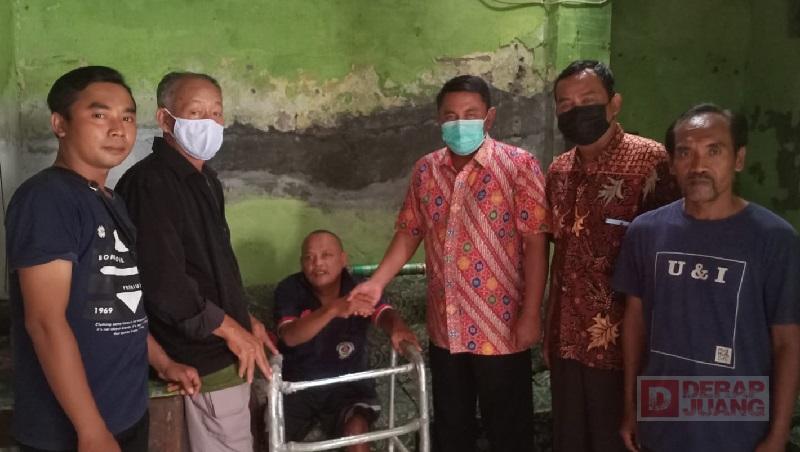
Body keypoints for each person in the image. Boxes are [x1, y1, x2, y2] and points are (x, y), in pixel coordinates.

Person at [348, 75, 549, 452]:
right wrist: (376, 283)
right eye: (451, 115)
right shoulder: (426, 170)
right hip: (447, 329)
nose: (460, 123)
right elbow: (409, 233)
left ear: (489, 117)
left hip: (501, 329)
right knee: (452, 431)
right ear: (439, 119)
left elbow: (536, 243)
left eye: (470, 114)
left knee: (509, 433)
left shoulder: (519, 166)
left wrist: (531, 313)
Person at [6, 66, 200, 452]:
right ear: (60, 124)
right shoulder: (47, 199)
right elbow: (44, 323)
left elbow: (122, 306)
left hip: (124, 414)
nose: (118, 129)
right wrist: (91, 429)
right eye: (99, 115)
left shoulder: (110, 201)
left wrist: (163, 363)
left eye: (127, 117)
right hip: (70, 432)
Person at [614, 103, 800, 452]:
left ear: (738, 159)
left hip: (739, 425)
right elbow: (634, 323)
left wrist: (777, 436)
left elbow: (788, 343)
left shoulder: (774, 239)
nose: (698, 166)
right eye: (685, 152)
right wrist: (631, 407)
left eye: (714, 151)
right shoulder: (646, 232)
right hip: (662, 415)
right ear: (672, 164)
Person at [116, 71, 277, 452]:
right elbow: (164, 283)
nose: (209, 122)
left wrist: (244, 317)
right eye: (196, 112)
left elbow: (211, 267)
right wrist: (231, 330)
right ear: (165, 118)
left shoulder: (205, 180)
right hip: (198, 357)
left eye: (216, 113)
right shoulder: (150, 184)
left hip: (220, 349)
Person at [544, 60, 679, 452]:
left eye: (588, 100)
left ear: (614, 104)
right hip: (567, 343)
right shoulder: (558, 172)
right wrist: (549, 330)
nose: (577, 111)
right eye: (566, 104)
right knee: (569, 441)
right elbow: (560, 258)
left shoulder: (651, 162)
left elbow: (669, 259)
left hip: (624, 348)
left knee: (618, 441)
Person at [273, 230, 419, 451]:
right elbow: (290, 337)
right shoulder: (289, 289)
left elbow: (383, 312)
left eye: (326, 255)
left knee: (356, 430)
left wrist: (397, 327)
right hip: (298, 386)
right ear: (301, 263)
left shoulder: (358, 287)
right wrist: (333, 309)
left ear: (343, 259)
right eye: (309, 257)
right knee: (266, 432)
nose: (317, 263)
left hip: (348, 387)